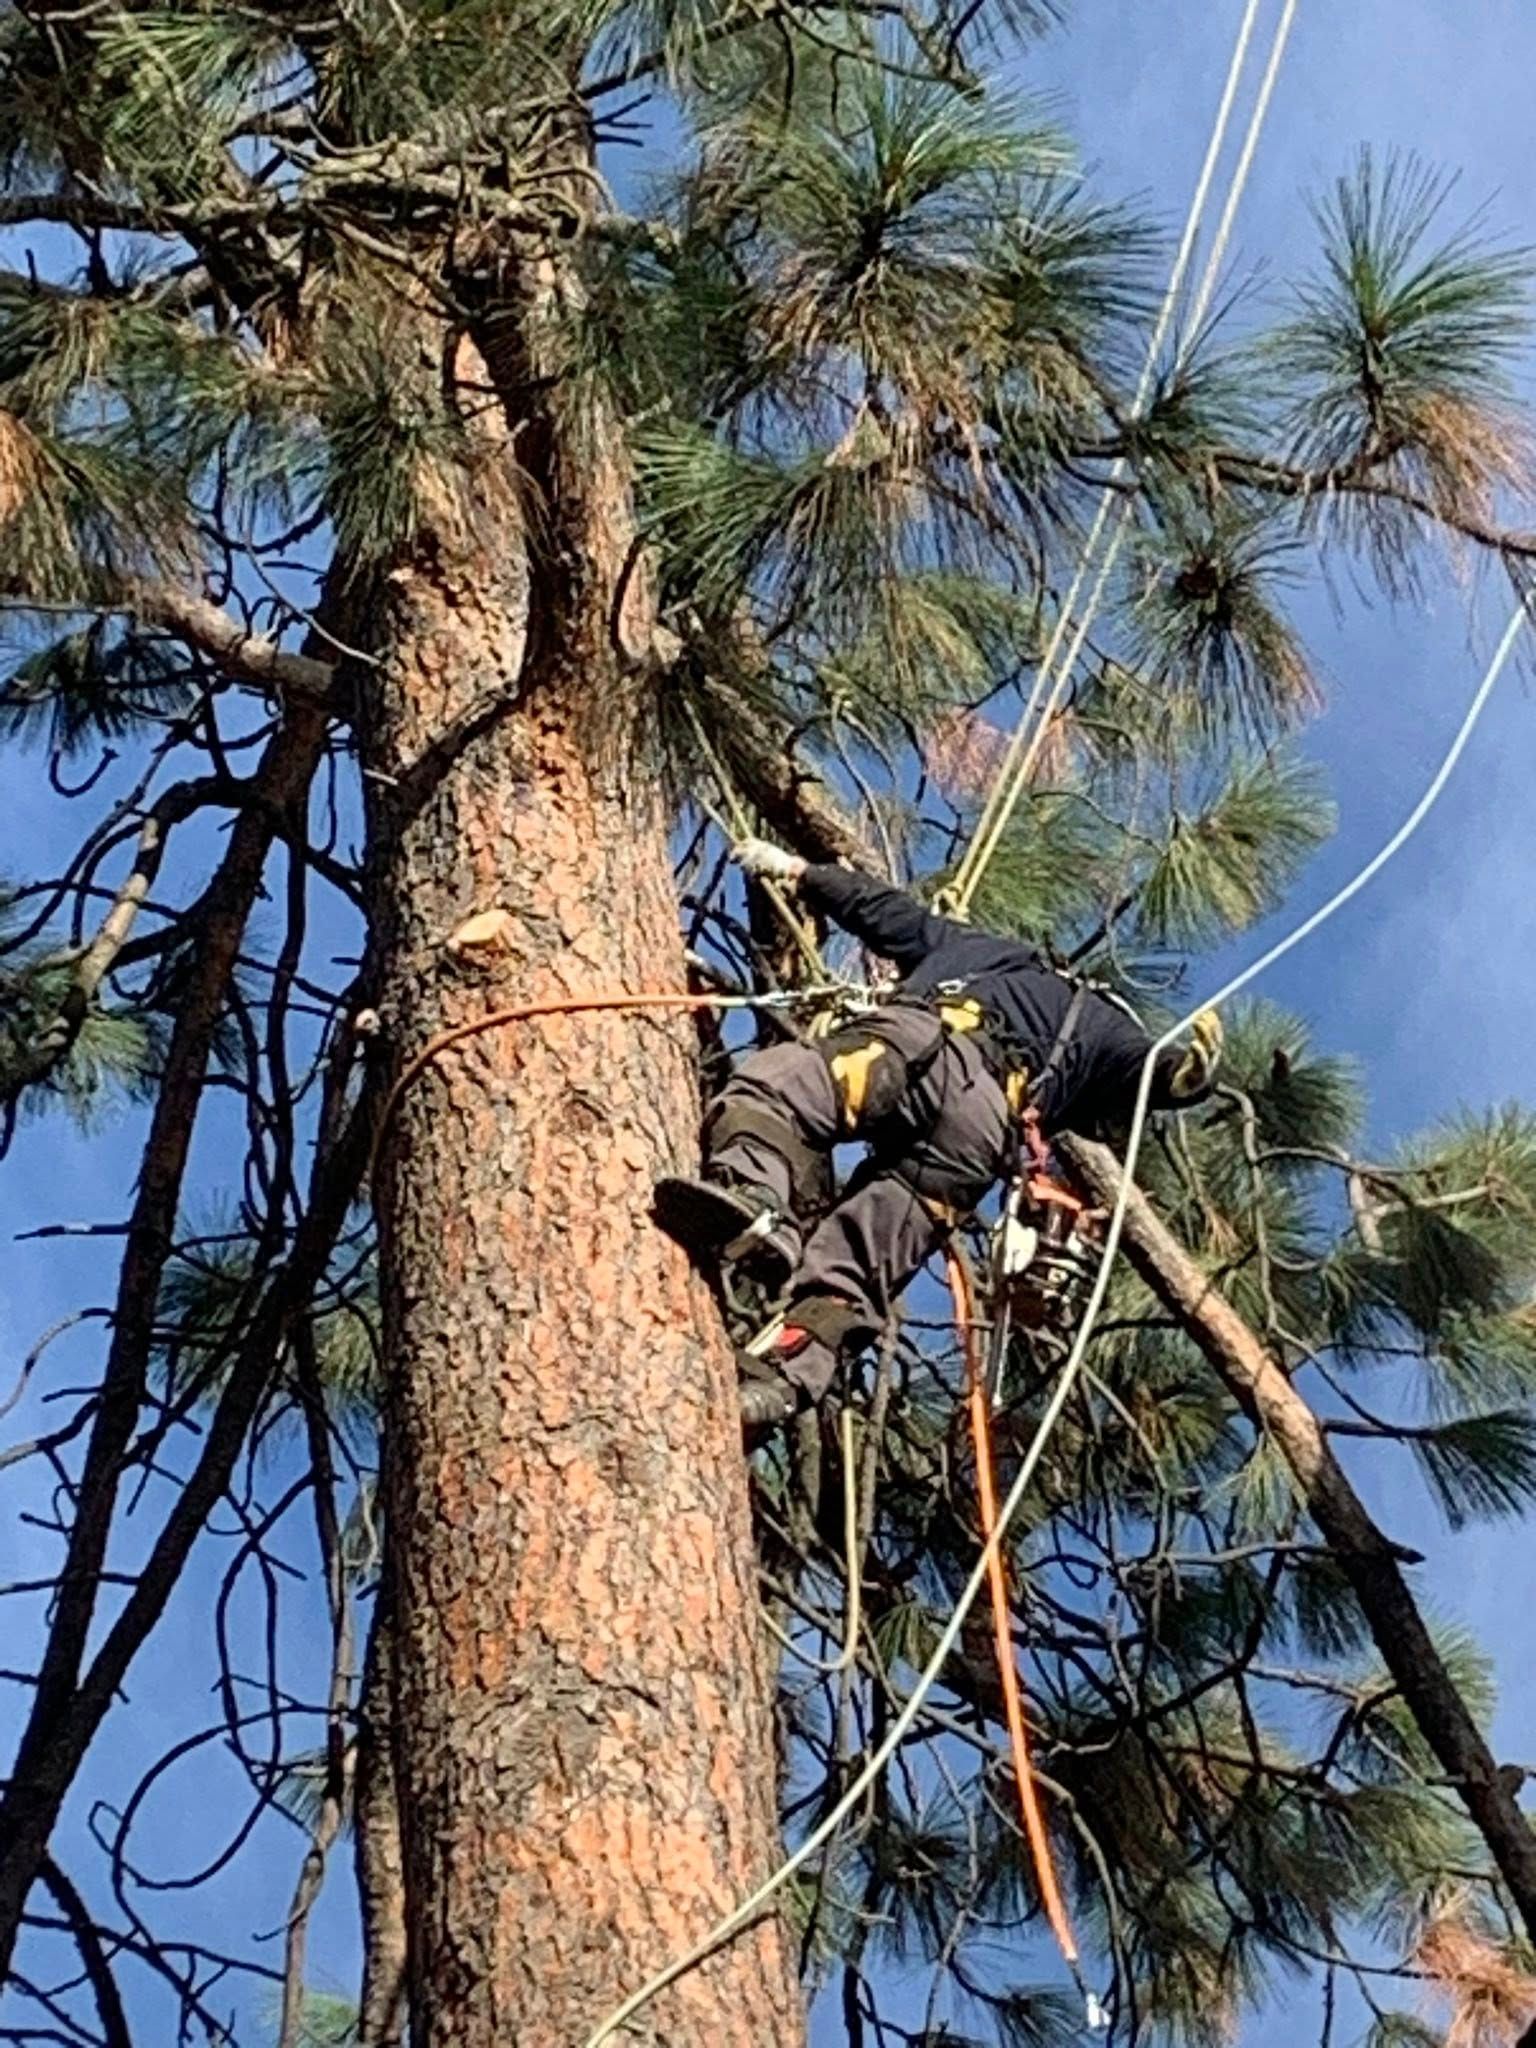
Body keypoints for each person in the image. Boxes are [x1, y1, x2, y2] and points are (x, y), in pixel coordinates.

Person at [655, 840, 1224, 1431]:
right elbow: (1151, 1070)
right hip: (976, 1143)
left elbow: (887, 913)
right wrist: (1186, 1078)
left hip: (927, 1050)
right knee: (858, 1265)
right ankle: (781, 1382)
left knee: (778, 1089)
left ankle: (757, 1202)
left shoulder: (983, 952)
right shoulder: (1103, 1027)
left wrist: (801, 872)